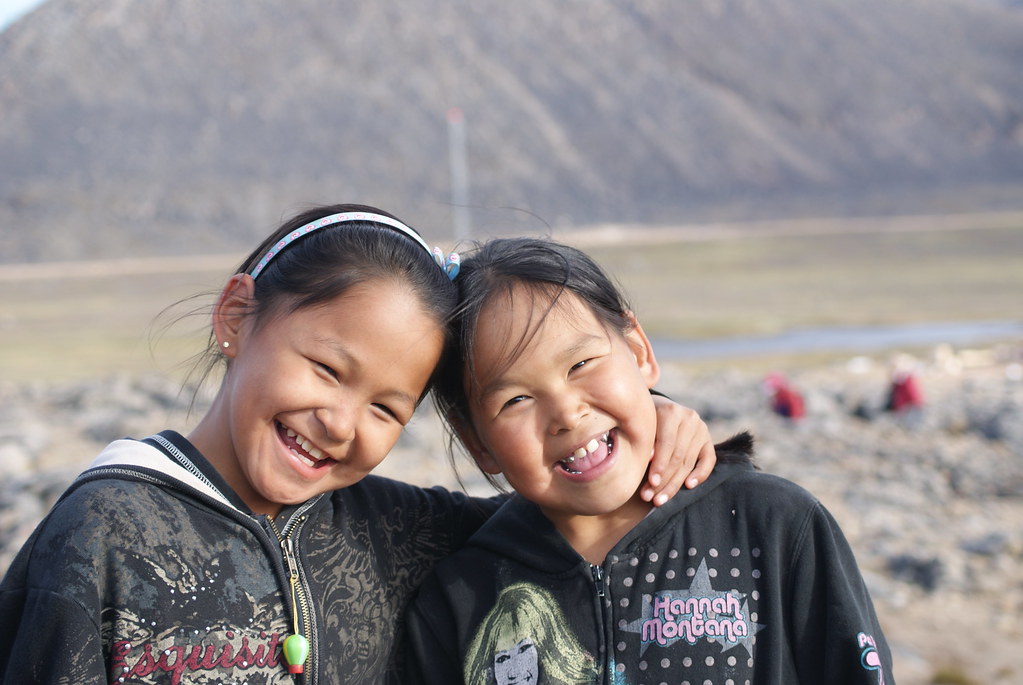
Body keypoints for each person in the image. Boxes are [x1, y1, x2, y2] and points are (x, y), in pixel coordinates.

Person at [0, 205, 716, 684]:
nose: (341, 423)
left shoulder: (393, 531)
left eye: (385, 407)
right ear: (236, 317)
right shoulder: (104, 532)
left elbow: (563, 511)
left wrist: (650, 423)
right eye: (326, 369)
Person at [404, 237, 895, 684]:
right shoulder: (460, 597)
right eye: (515, 399)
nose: (567, 414)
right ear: (477, 442)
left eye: (580, 364)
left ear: (638, 351)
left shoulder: (771, 525)